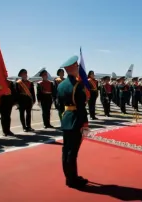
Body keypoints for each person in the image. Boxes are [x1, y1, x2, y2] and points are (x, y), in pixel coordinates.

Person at [57, 55, 89, 188]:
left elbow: (59, 104)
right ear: (73, 68)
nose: (78, 68)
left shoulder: (61, 85)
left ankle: (68, 177)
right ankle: (73, 180)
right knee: (72, 152)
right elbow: (81, 106)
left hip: (66, 118)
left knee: (66, 151)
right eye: (76, 66)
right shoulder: (77, 84)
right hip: (76, 119)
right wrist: (85, 124)